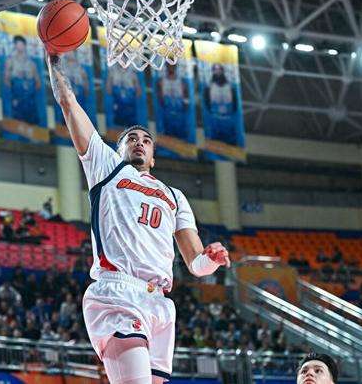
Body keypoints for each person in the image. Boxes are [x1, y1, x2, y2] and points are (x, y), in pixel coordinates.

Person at [47, 52, 230, 384]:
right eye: (131, 139)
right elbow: (68, 103)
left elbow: (195, 264)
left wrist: (212, 260)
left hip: (159, 304)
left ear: (154, 157)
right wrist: (54, 61)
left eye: (146, 140)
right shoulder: (107, 168)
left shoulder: (174, 196)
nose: (140, 143)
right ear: (119, 150)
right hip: (118, 292)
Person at [4, 35, 41, 124]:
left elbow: (38, 82)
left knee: (33, 125)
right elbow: (6, 79)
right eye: (18, 45)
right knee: (18, 124)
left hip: (30, 101)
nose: (20, 47)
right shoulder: (10, 61)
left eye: (21, 45)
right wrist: (16, 92)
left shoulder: (32, 64)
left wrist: (29, 93)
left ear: (25, 46)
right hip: (17, 100)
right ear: (15, 46)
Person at [204, 63, 238, 145]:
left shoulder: (230, 85)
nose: (217, 71)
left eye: (219, 69)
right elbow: (206, 100)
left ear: (222, 70)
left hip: (228, 118)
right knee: (215, 141)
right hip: (215, 118)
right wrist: (211, 110)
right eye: (215, 69)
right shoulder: (209, 86)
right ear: (213, 71)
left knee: (231, 141)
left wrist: (232, 111)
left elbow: (235, 101)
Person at [157, 64, 189, 139]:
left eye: (172, 66)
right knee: (168, 135)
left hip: (179, 113)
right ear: (166, 66)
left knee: (181, 135)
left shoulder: (182, 82)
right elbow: (160, 97)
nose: (171, 67)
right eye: (169, 65)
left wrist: (185, 105)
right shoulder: (161, 82)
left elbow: (186, 95)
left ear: (175, 67)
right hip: (167, 113)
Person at [106, 62, 141, 128]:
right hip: (119, 103)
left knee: (131, 124)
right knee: (118, 124)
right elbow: (108, 87)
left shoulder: (132, 73)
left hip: (129, 104)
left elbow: (138, 91)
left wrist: (133, 97)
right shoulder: (113, 71)